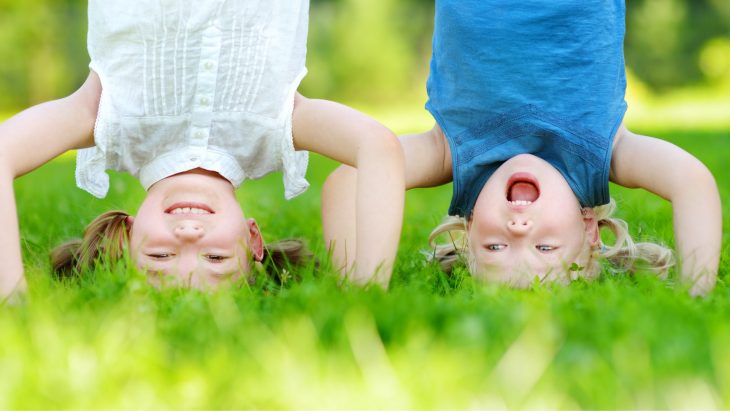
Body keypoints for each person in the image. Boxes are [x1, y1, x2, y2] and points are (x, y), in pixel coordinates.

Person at [0, 0, 405, 298]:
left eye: (159, 256)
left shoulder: (107, 117)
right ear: (253, 240)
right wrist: (366, 298)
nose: (189, 236)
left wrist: (13, 304)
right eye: (216, 258)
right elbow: (377, 145)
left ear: (126, 234)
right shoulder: (275, 127)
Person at [322, 0, 721, 295]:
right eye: (544, 246)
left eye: (495, 246)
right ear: (590, 231)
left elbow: (350, 179)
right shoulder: (604, 154)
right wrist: (696, 294)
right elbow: (691, 181)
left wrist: (362, 291)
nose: (518, 228)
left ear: (471, 226)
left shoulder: (450, 152)